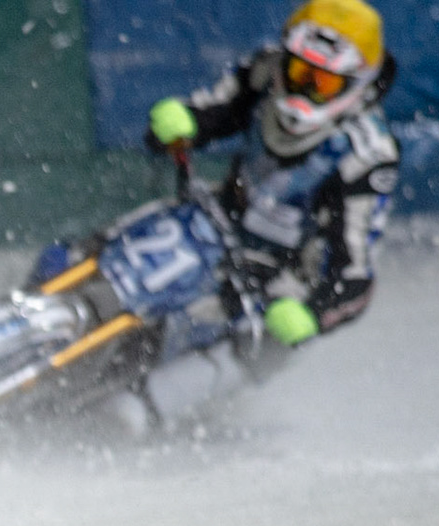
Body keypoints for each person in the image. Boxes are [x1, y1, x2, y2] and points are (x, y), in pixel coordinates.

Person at [145, 0, 399, 347]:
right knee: (109, 248)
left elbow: (354, 273)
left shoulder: (368, 154)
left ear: (355, 85)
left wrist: (312, 312)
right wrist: (185, 120)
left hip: (288, 271)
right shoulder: (267, 69)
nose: (304, 88)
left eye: (321, 82)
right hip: (217, 219)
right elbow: (220, 108)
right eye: (299, 72)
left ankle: (155, 397)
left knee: (232, 340)